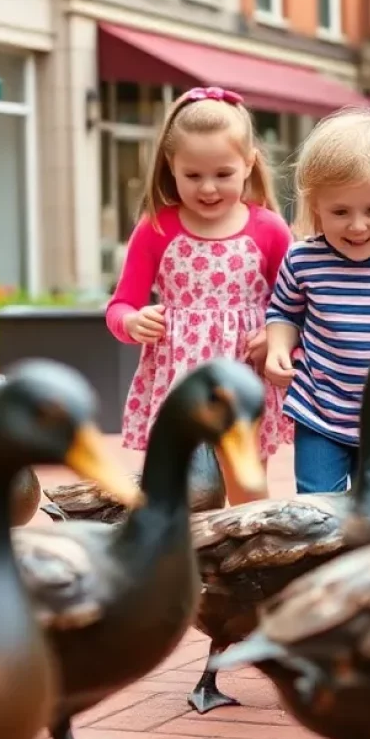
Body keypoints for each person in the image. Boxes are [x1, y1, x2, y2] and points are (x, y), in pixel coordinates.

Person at [106, 86, 293, 502]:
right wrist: (133, 322)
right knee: (183, 494)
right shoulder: (157, 228)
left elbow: (295, 305)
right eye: (193, 175)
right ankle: (190, 565)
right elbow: (120, 306)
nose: (208, 188)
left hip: (245, 378)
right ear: (171, 166)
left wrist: (278, 338)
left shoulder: (269, 229)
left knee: (246, 490)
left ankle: (248, 565)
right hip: (177, 384)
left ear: (248, 164)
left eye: (223, 174)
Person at [264, 109, 370, 495]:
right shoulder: (302, 259)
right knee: (316, 508)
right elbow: (283, 312)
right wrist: (278, 346)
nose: (357, 226)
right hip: (319, 409)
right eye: (340, 212)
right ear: (314, 205)